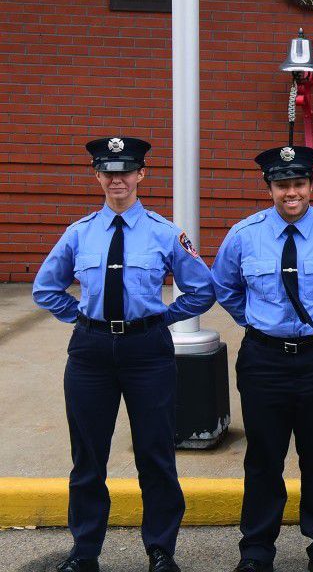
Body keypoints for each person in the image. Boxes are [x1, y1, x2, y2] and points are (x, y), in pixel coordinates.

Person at [33, 136, 214, 572]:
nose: (118, 179)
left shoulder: (165, 232)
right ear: (97, 176)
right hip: (91, 353)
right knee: (89, 457)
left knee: (155, 453)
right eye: (109, 172)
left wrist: (163, 319)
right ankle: (85, 552)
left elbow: (203, 288)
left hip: (147, 351)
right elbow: (46, 287)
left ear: (141, 175)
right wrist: (81, 318)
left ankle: (160, 550)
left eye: (126, 171)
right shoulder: (78, 234)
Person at [211, 145, 313, 572]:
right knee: (263, 457)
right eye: (282, 185)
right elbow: (225, 287)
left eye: (298, 184)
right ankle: (257, 551)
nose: (291, 193)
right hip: (264, 360)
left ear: (310, 186)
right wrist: (259, 323)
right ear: (270, 188)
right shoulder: (244, 235)